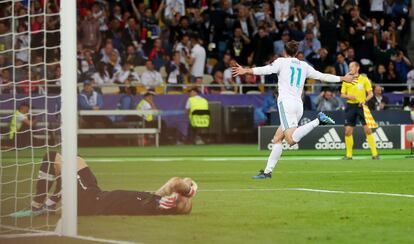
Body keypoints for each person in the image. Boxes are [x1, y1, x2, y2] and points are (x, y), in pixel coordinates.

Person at [232, 40, 355, 179]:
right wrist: (343, 78)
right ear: (296, 53)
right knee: (277, 138)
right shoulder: (304, 65)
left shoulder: (281, 62)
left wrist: (246, 70)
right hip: (298, 105)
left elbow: (265, 70)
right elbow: (323, 76)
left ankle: (318, 121)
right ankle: (267, 172)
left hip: (286, 104)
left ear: (285, 52)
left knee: (290, 140)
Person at [28, 151, 197, 216]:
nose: (177, 195)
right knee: (75, 158)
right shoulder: (157, 201)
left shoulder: (156, 203)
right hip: (96, 194)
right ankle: (49, 205)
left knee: (53, 158)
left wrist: (190, 189)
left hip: (90, 201)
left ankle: (36, 206)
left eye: (181, 197)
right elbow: (184, 182)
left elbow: (176, 182)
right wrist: (188, 187)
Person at [341, 61, 379, 160]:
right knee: (348, 132)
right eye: (349, 67)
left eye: (352, 67)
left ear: (357, 68)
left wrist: (364, 100)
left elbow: (371, 94)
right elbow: (342, 94)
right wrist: (348, 96)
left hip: (361, 106)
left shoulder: (364, 79)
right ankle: (349, 155)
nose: (350, 69)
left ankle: (375, 154)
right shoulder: (346, 80)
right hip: (350, 107)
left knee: (368, 130)